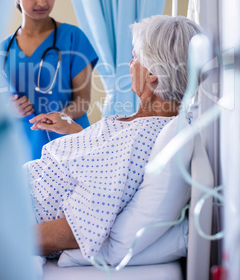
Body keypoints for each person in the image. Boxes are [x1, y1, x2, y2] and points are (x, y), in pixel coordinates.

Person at [24, 15, 203, 259]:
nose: (130, 65)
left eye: (135, 57)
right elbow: (105, 161)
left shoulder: (142, 138)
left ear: (153, 75)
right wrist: (76, 132)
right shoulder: (141, 124)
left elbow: (77, 229)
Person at [0, 0, 98, 160]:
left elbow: (82, 101)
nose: (42, 2)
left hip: (70, 145)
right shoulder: (2, 51)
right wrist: (9, 109)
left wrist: (62, 117)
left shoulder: (72, 37)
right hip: (23, 149)